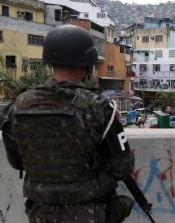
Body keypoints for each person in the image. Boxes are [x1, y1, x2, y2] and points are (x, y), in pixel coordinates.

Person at [1, 24, 135, 223]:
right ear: (87, 62)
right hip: (90, 212)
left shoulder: (17, 106)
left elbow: (16, 162)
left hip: (40, 212)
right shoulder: (99, 108)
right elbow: (122, 167)